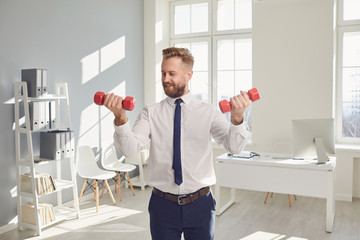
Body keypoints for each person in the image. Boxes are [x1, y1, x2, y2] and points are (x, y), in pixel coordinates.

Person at [103, 47, 250, 240]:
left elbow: (235, 147)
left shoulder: (209, 112)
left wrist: (237, 119)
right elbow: (131, 150)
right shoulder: (150, 112)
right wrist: (121, 118)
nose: (165, 79)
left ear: (189, 74)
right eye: (163, 73)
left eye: (172, 73)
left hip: (200, 204)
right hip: (162, 205)